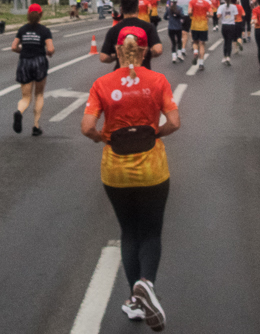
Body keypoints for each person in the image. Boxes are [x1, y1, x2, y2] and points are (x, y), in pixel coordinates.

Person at [82, 29, 180, 331]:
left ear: (120, 51)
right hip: (152, 168)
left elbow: (86, 127)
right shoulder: (158, 81)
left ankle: (134, 302)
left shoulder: (102, 83)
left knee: (129, 231)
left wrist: (103, 138)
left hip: (115, 169)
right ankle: (146, 284)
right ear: (143, 51)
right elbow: (174, 122)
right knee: (151, 231)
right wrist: (154, 133)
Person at [11, 3, 55, 136]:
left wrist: (22, 51)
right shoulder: (44, 30)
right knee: (39, 95)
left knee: (25, 97)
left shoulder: (22, 29)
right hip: (39, 62)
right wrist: (48, 54)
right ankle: (36, 126)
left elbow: (13, 47)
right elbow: (51, 49)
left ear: (28, 15)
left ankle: (19, 112)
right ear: (41, 14)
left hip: (24, 62)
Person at [102, 0, 164, 70]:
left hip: (121, 76)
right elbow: (158, 50)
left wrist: (121, 55)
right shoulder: (149, 27)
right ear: (137, 8)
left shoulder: (114, 30)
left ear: (121, 9)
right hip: (143, 73)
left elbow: (103, 57)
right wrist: (143, 54)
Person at [188, 0, 212, 68]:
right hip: (203, 26)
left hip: (194, 25)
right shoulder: (206, 3)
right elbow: (211, 14)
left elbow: (189, 12)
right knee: (202, 44)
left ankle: (195, 51)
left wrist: (192, 15)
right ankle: (201, 63)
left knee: (195, 42)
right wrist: (207, 14)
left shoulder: (192, 2)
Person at [219, 0, 243, 66]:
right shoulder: (234, 7)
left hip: (224, 26)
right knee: (229, 41)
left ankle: (224, 56)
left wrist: (224, 16)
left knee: (225, 41)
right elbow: (236, 16)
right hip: (232, 26)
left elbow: (218, 16)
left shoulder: (221, 7)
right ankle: (228, 57)